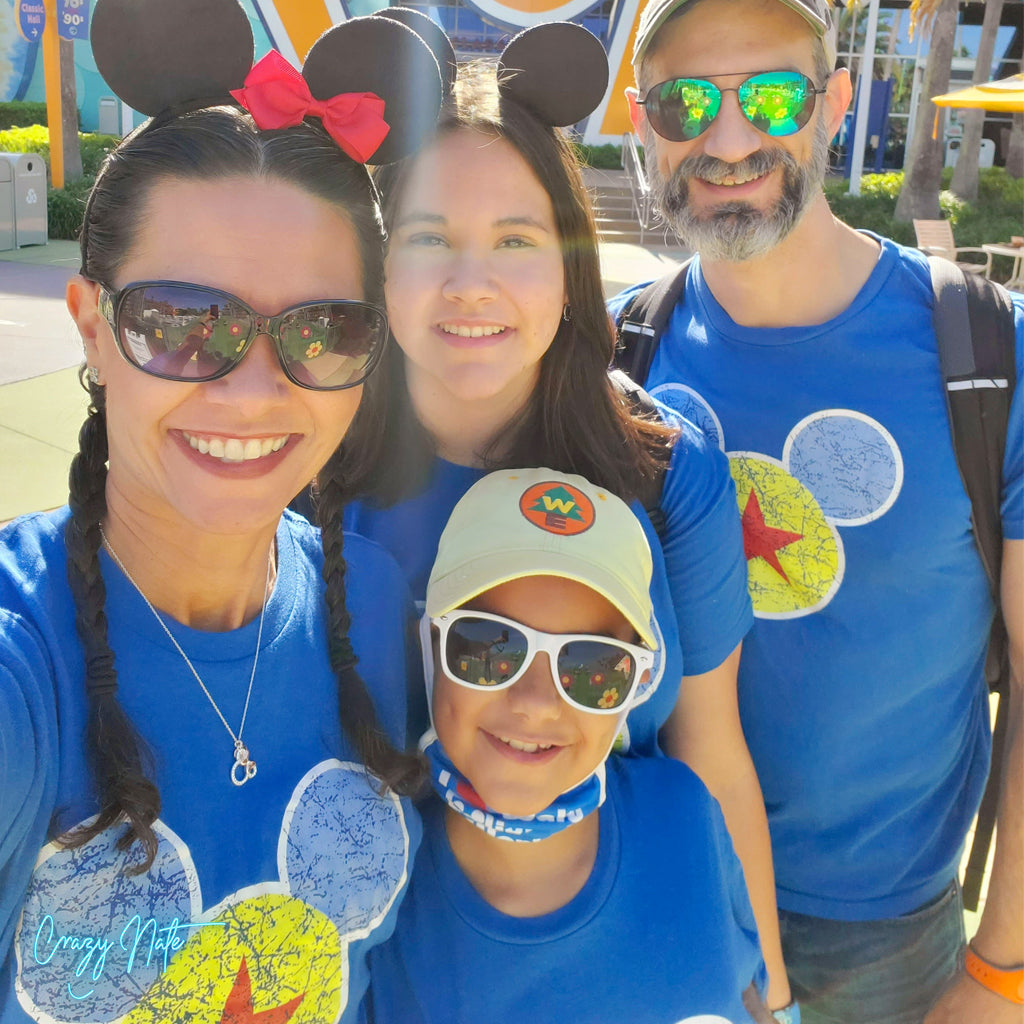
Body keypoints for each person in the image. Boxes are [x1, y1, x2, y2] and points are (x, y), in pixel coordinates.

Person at [0, 3, 445, 1021]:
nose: (251, 392)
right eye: (183, 323)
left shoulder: (376, 607)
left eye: (322, 330)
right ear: (94, 330)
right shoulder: (19, 669)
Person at [339, 24, 794, 1014]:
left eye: (514, 240)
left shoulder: (666, 465)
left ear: (568, 261)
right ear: (378, 264)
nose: (471, 283)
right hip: (396, 974)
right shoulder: (313, 474)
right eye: (426, 238)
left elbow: (708, 744)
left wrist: (772, 992)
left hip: (622, 960)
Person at [618, 0, 1024, 1020]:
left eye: (769, 95)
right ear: (642, 122)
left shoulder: (988, 356)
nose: (727, 138)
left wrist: (1001, 970)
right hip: (664, 893)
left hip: (885, 944)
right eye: (684, 103)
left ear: (834, 103)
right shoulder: (624, 350)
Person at [367, 467, 771, 1024]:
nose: (536, 701)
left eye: (592, 667)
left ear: (635, 685)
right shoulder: (383, 892)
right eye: (488, 647)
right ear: (430, 647)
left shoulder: (684, 806)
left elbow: (747, 989)